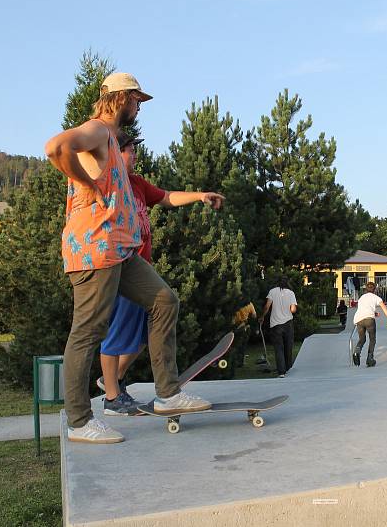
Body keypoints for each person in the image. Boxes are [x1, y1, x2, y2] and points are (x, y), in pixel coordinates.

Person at [45, 72, 223, 444]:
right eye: (136, 100)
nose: (139, 106)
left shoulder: (114, 145)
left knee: (163, 300)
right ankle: (79, 421)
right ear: (121, 98)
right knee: (88, 330)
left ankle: (168, 393)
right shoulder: (97, 130)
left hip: (121, 252)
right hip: (95, 250)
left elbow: (163, 196)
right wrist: (90, 185)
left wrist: (200, 195)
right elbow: (56, 147)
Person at [96, 132, 226, 416]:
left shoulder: (138, 183)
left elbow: (166, 197)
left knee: (148, 333)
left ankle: (113, 380)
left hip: (141, 270)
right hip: (120, 269)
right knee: (116, 334)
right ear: (116, 154)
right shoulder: (108, 183)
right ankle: (111, 398)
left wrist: (200, 196)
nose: (135, 155)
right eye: (130, 150)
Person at [259, 277, 298, 377]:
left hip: (276, 325)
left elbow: (267, 306)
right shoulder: (291, 293)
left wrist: (262, 316)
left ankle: (281, 372)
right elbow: (293, 309)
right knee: (288, 347)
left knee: (278, 348)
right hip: (288, 323)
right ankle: (288, 369)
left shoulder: (272, 291)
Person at [352, 281, 387, 367]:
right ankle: (370, 358)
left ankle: (356, 352)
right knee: (372, 339)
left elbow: (364, 309)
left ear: (366, 289)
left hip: (359, 319)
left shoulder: (362, 297)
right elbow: (383, 306)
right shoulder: (376, 297)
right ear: (375, 290)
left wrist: (374, 313)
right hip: (369, 320)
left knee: (362, 339)